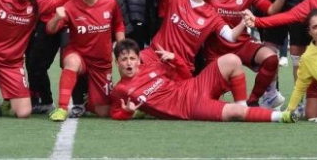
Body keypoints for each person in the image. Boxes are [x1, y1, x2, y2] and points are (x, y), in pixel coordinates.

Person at [110, 39, 298, 123]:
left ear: (138, 59)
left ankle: (243, 107)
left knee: (232, 59)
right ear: (117, 62)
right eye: (124, 60)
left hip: (194, 85)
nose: (129, 63)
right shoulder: (120, 90)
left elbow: (185, 77)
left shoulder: (151, 67)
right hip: (189, 107)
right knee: (233, 112)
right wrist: (126, 114)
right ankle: (281, 117)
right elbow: (115, 113)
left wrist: (174, 59)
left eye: (132, 58)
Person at [202, 0, 287, 108]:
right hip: (215, 50)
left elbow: (270, 10)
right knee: (210, 103)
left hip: (242, 45)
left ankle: (255, 100)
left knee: (271, 58)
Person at [138, 0, 246, 73]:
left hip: (180, 66)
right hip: (155, 55)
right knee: (133, 62)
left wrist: (244, 21)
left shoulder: (211, 15)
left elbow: (231, 36)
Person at [46, 0, 126, 121]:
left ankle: (89, 103)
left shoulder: (110, 3)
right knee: (71, 61)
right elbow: (50, 29)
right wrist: (57, 18)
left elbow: (118, 25)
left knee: (104, 111)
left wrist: (121, 48)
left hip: (101, 63)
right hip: (79, 57)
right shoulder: (70, 6)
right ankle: (62, 108)